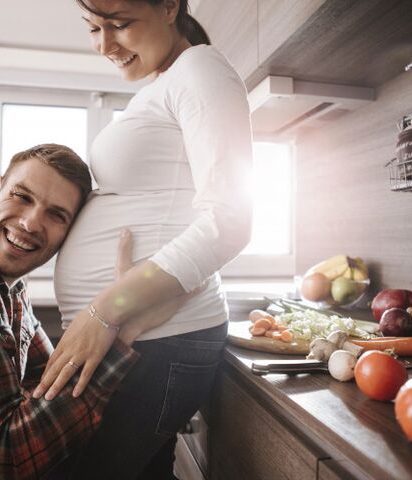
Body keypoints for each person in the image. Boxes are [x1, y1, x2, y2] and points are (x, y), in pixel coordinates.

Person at [27, 1, 253, 478]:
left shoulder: (201, 68)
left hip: (157, 336)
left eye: (120, 24)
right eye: (93, 28)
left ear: (170, 6)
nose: (104, 45)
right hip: (141, 336)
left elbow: (231, 218)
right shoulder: (167, 83)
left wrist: (105, 308)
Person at [0, 143, 187, 479]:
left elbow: (45, 382)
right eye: (22, 196)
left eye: (56, 214)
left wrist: (119, 298)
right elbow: (7, 457)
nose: (31, 223)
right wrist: (126, 330)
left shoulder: (10, 287)